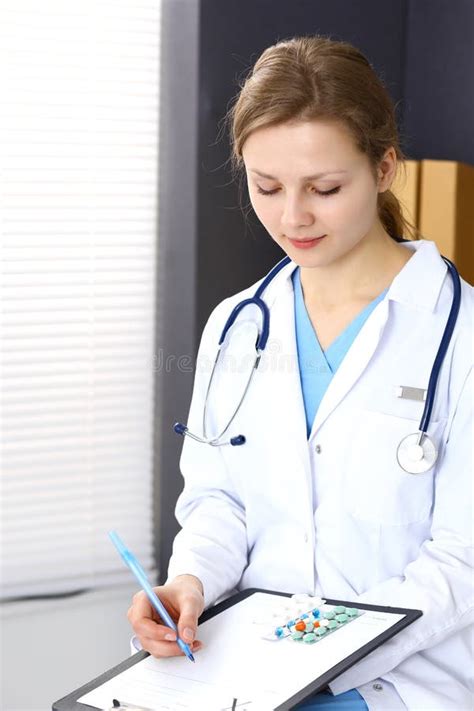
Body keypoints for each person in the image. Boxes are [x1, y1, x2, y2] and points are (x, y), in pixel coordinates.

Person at [128, 36, 473, 709]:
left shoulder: (459, 337)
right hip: (244, 679)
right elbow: (218, 500)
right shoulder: (236, 325)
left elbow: (463, 564)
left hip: (395, 684)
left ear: (384, 168)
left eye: (324, 188)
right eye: (267, 187)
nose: (292, 217)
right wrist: (190, 582)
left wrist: (315, 652)